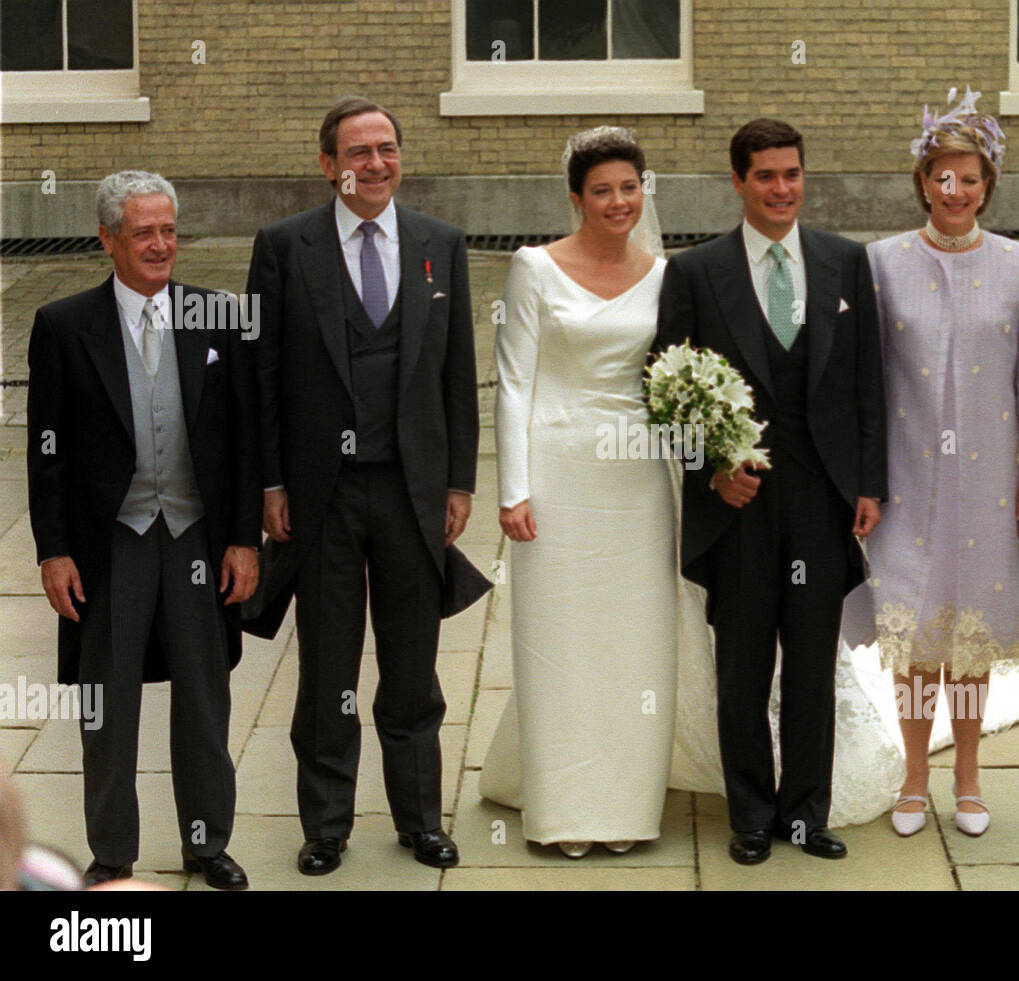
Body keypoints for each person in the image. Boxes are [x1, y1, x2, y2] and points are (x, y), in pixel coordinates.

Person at [245, 96, 484, 874]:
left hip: (414, 491)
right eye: (359, 152)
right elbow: (264, 378)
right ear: (328, 165)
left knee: (413, 669)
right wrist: (272, 483)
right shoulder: (284, 247)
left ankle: (420, 819)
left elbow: (456, 374)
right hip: (324, 495)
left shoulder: (439, 244)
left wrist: (458, 481)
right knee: (328, 672)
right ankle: (326, 826)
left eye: (387, 148)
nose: (376, 163)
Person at [654, 118, 888, 865]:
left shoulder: (844, 262)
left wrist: (870, 484)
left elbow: (867, 383)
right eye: (765, 176)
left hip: (821, 501)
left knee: (813, 662)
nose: (781, 189)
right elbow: (663, 390)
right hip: (739, 507)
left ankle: (804, 814)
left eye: (792, 174)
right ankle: (752, 813)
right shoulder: (694, 274)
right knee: (743, 664)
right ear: (738, 182)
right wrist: (709, 470)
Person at [26, 171, 261, 889]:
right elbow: (48, 447)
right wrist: (54, 549)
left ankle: (206, 841)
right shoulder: (65, 325)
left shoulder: (220, 316)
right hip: (111, 543)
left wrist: (245, 538)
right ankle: (112, 855)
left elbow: (246, 437)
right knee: (108, 704)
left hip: (196, 536)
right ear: (108, 239)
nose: (161, 245)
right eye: (144, 232)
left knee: (204, 697)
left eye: (169, 230)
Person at [840, 88, 1019, 839]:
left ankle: (967, 772)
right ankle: (913, 771)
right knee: (916, 630)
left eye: (969, 178)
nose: (955, 191)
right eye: (942, 177)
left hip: (991, 481)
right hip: (906, 475)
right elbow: (866, 377)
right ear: (923, 183)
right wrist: (864, 478)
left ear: (988, 184)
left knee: (971, 633)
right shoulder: (881, 263)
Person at [485, 127, 674, 858]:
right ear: (576, 197)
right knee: (559, 641)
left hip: (636, 479)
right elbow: (513, 381)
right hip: (557, 475)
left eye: (630, 187)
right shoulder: (534, 268)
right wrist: (514, 489)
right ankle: (564, 808)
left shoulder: (663, 275)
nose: (618, 201)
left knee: (633, 646)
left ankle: (625, 804)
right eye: (602, 190)